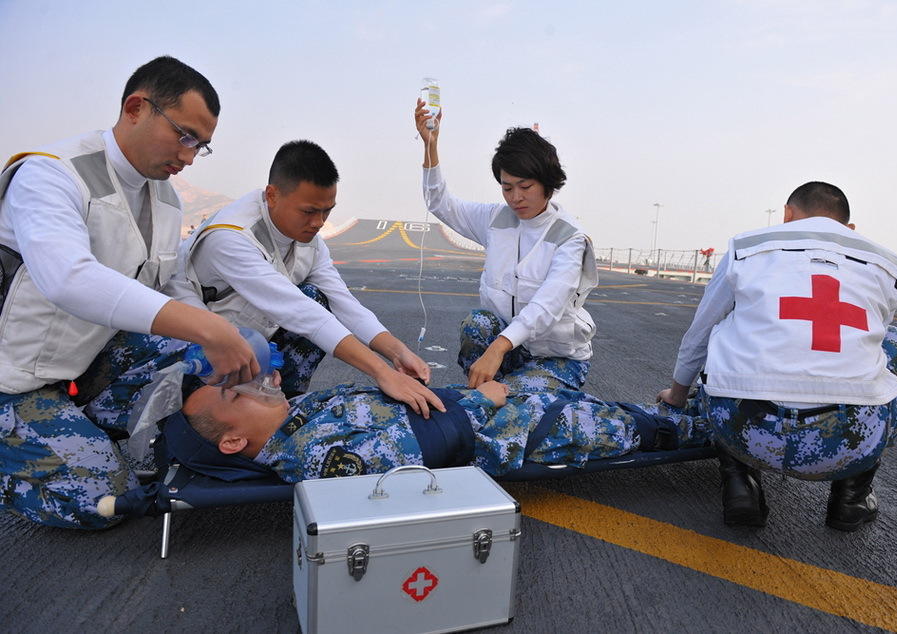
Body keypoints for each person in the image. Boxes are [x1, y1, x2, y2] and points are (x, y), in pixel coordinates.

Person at [0, 56, 260, 530]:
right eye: (185, 136)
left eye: (200, 146)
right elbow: (68, 278)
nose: (188, 157)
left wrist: (221, 333)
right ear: (136, 108)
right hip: (13, 381)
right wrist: (210, 329)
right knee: (107, 500)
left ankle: (73, 428)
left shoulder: (164, 198)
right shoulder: (52, 175)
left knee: (209, 358)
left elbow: (168, 285)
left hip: (82, 362)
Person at [657, 182, 897, 531]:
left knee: (726, 330)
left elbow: (701, 330)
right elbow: (870, 339)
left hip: (748, 435)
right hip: (847, 443)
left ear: (787, 214)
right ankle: (851, 497)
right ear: (849, 229)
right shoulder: (886, 265)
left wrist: (677, 395)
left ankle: (740, 482)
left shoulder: (747, 248)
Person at [179, 140, 445, 417]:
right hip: (197, 352)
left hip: (249, 342)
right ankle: (188, 425)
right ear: (272, 195)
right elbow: (299, 311)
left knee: (317, 297)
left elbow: (343, 303)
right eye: (308, 211)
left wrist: (397, 352)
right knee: (308, 306)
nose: (319, 222)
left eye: (327, 210)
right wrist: (382, 373)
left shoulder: (309, 241)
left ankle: (282, 408)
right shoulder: (231, 237)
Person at [180, 377, 708, 483]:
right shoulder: (313, 456)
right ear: (234, 441)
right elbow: (428, 448)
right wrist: (482, 400)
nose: (245, 386)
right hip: (506, 433)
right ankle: (722, 429)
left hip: (489, 408)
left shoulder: (297, 415)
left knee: (575, 394)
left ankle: (685, 411)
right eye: (234, 395)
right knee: (634, 429)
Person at [413, 101, 598, 394]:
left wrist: (498, 348)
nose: (515, 197)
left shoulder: (569, 237)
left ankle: (501, 395)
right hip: (508, 351)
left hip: (557, 358)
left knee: (507, 402)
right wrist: (430, 147)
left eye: (525, 187)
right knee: (477, 324)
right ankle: (487, 392)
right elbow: (439, 203)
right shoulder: (495, 219)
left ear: (548, 184)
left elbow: (547, 305)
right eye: (507, 187)